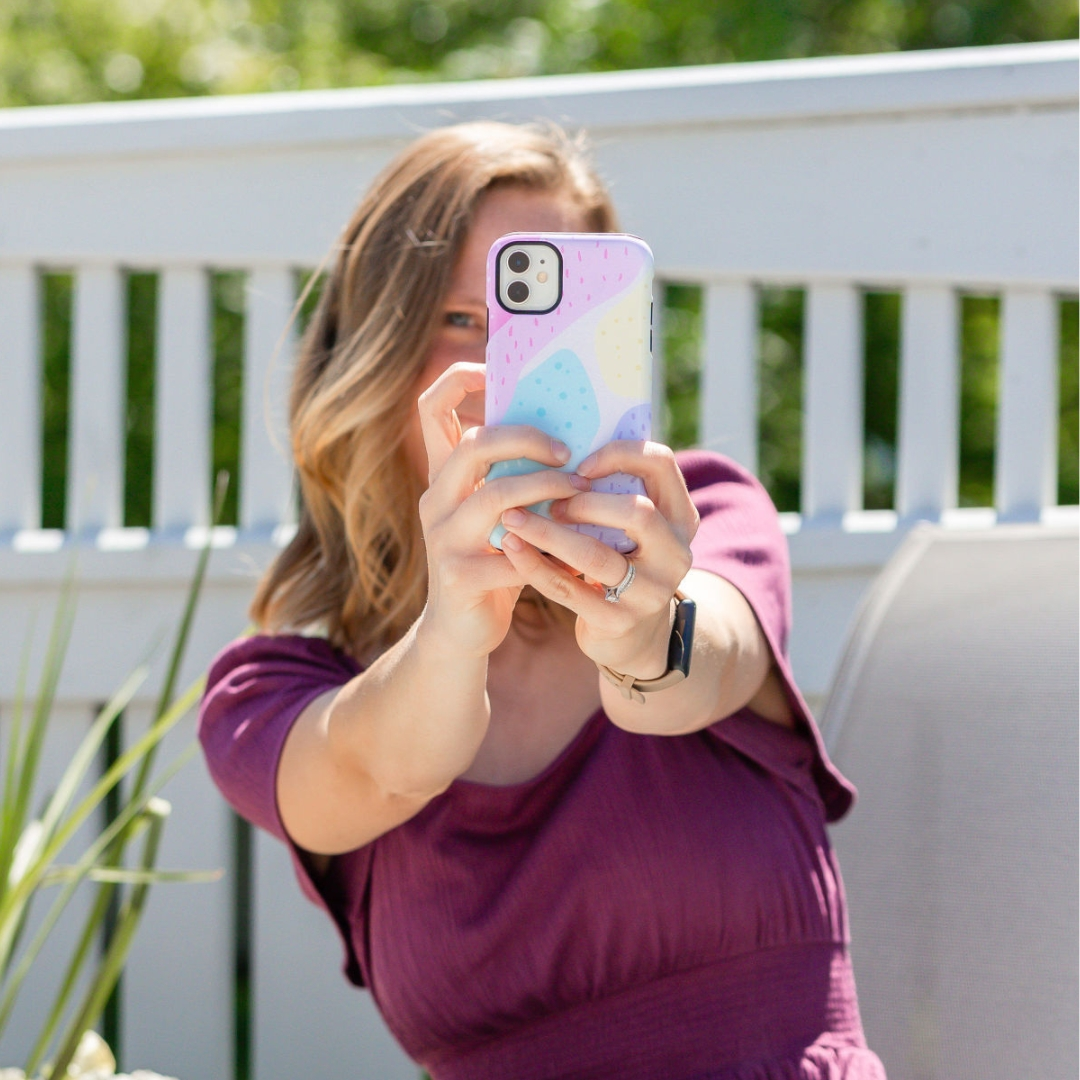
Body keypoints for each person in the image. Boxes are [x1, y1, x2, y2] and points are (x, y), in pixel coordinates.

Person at [198, 121, 887, 1079]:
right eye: (459, 321)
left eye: (550, 326)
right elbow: (373, 770)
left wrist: (648, 631)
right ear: (371, 354)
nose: (510, 375)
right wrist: (453, 625)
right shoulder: (271, 694)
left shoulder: (705, 520)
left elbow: (703, 660)